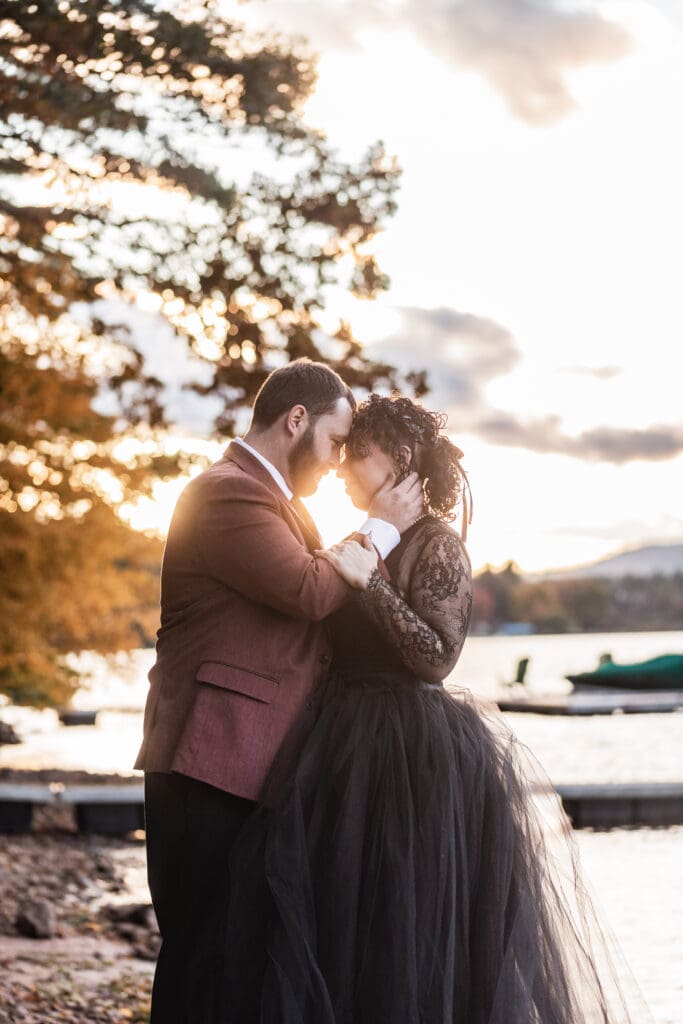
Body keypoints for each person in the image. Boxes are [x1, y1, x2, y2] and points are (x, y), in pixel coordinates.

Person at [224, 393, 646, 1024]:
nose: (341, 467)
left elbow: (438, 657)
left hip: (412, 756)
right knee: (340, 918)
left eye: (357, 455)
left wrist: (371, 585)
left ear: (401, 458)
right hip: (338, 746)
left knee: (407, 923)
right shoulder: (365, 536)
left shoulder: (438, 546)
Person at [135, 361, 424, 1024]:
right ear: (296, 420)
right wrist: (382, 525)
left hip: (248, 766)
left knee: (236, 958)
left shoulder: (279, 505)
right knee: (199, 953)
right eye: (332, 440)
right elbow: (307, 590)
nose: (335, 461)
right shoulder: (224, 494)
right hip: (207, 760)